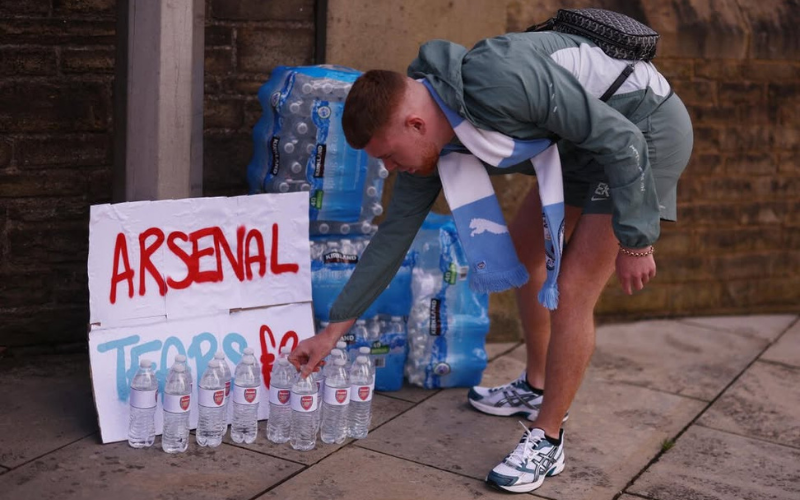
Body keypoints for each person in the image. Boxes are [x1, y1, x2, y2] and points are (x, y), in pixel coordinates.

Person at [289, 28, 693, 493]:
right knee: (526, 252)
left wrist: (637, 240)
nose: (389, 169)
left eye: (389, 156)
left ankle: (548, 436)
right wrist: (332, 331)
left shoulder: (498, 80)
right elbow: (392, 238)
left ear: (415, 125)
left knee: (574, 288)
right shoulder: (435, 138)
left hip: (641, 133)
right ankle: (537, 384)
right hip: (584, 151)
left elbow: (620, 140)